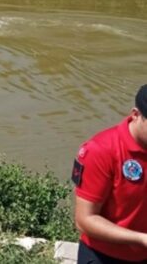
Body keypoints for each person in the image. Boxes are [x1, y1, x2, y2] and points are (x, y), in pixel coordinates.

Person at [72, 84, 147, 263]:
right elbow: (85, 220)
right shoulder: (101, 151)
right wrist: (141, 238)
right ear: (135, 115)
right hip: (104, 255)